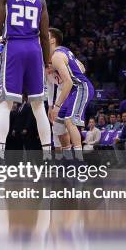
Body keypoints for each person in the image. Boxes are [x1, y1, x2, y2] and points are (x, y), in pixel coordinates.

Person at [0, 0, 52, 169]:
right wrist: (47, 61)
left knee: (4, 104)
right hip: (34, 49)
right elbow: (44, 34)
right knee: (39, 106)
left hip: (14, 46)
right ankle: (48, 158)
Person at [48, 28, 95, 161]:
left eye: (46, 36)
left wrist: (56, 106)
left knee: (70, 120)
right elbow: (82, 67)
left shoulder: (57, 56)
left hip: (81, 87)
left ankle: (80, 161)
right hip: (73, 90)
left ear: (52, 40)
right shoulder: (64, 50)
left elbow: (68, 82)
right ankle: (68, 160)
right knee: (58, 124)